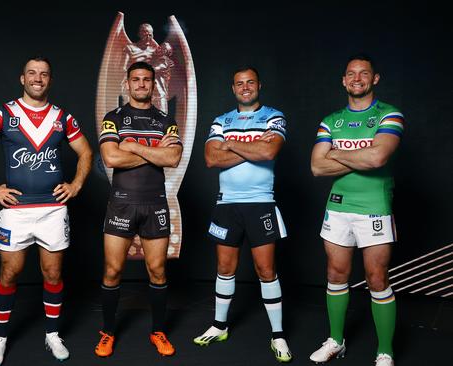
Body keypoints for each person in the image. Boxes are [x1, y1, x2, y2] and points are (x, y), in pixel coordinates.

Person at [0, 56, 92, 365]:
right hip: (16, 211)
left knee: (52, 273)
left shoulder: (63, 117)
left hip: (53, 210)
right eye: (32, 73)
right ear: (22, 78)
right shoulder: (2, 113)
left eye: (44, 74)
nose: (38, 78)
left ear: (50, 80)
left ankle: (52, 334)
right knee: (10, 273)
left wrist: (75, 184)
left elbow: (86, 152)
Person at [193, 66, 292, 363]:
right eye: (239, 83)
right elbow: (211, 158)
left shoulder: (274, 116)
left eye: (250, 82)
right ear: (233, 88)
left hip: (261, 202)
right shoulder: (221, 120)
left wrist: (232, 144)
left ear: (259, 85)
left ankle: (278, 335)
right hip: (227, 205)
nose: (245, 87)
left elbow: (269, 153)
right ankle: (219, 326)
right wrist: (254, 145)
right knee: (225, 268)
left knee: (266, 270)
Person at [309, 54, 403, 366]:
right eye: (351, 73)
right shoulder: (330, 120)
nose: (357, 78)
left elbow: (378, 160)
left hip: (374, 206)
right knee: (336, 273)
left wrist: (336, 151)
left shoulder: (389, 115)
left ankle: (385, 350)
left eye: (364, 73)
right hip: (338, 207)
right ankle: (336, 341)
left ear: (375, 78)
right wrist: (363, 152)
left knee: (377, 278)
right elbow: (316, 167)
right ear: (344, 80)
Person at [94, 61, 183, 358]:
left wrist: (132, 146)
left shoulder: (165, 120)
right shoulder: (114, 118)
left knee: (157, 271)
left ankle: (158, 332)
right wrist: (155, 153)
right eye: (136, 80)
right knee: (112, 270)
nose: (142, 84)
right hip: (121, 202)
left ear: (153, 84)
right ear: (128, 84)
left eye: (147, 79)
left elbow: (173, 159)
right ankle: (107, 332)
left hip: (155, 202)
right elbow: (111, 158)